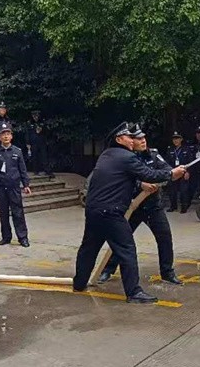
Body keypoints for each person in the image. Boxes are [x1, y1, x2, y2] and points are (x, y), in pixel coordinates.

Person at [72, 122, 187, 304]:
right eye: (129, 137)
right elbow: (150, 174)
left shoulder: (106, 155)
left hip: (94, 210)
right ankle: (133, 292)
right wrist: (172, 174)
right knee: (126, 249)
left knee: (89, 248)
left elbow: (125, 177)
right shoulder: (127, 157)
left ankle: (79, 283)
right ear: (119, 139)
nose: (133, 140)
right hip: (111, 212)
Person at [97, 131, 183, 285]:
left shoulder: (153, 155)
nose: (143, 141)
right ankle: (107, 270)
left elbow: (166, 170)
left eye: (144, 138)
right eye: (138, 139)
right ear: (131, 141)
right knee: (121, 240)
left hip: (154, 206)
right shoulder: (126, 158)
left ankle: (167, 272)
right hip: (133, 206)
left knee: (165, 238)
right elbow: (122, 178)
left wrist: (174, 173)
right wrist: (140, 184)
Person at [0, 122, 32, 247]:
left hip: (14, 187)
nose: (6, 136)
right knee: (3, 213)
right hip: (0, 187)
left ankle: (23, 237)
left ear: (11, 136)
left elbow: (22, 169)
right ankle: (6, 237)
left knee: (18, 213)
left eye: (8, 134)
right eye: (3, 134)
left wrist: (26, 184)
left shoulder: (17, 151)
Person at [164, 131, 191, 213]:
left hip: (183, 172)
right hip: (173, 173)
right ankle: (173, 206)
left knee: (183, 191)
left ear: (181, 139)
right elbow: (167, 162)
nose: (176, 140)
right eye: (174, 139)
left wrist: (188, 172)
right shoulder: (170, 149)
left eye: (177, 138)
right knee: (172, 191)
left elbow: (190, 161)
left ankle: (184, 207)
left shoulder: (186, 149)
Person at [25, 109, 53, 177]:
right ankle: (35, 171)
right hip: (33, 142)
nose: (35, 117)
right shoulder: (29, 123)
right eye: (34, 116)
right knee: (34, 157)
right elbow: (27, 134)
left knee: (44, 156)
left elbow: (47, 132)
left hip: (42, 142)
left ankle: (47, 170)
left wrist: (42, 130)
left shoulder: (42, 122)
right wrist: (27, 143)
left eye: (37, 116)